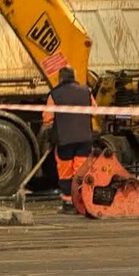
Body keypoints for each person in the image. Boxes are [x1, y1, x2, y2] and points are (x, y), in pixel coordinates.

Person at [41, 66, 96, 214]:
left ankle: (68, 204)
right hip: (85, 139)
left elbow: (48, 118)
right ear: (74, 76)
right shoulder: (86, 92)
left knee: (65, 172)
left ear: (60, 78)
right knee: (80, 171)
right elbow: (95, 111)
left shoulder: (55, 94)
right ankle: (81, 202)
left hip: (65, 140)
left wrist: (49, 130)